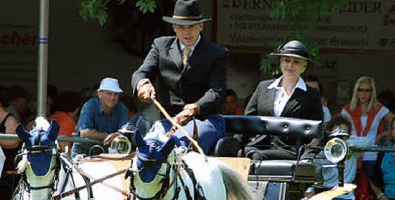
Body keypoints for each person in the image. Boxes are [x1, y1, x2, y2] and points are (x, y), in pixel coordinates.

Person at [131, 0, 228, 153]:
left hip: (205, 120)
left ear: (201, 26)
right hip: (169, 120)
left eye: (191, 27)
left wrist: (194, 108)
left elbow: (217, 92)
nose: (186, 32)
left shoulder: (217, 53)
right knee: (147, 148)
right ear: (174, 28)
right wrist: (142, 84)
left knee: (178, 144)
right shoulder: (160, 46)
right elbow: (141, 73)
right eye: (181, 27)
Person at [244, 40, 323, 160]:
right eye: (286, 60)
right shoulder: (263, 87)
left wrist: (308, 156)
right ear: (280, 62)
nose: (290, 66)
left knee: (256, 156)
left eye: (296, 62)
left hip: (289, 150)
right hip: (257, 146)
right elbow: (247, 121)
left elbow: (318, 133)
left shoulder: (311, 95)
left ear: (304, 66)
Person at [310, 115, 358, 200]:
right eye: (336, 134)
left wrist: (345, 143)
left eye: (343, 134)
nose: (339, 137)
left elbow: (368, 142)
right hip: (326, 191)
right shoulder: (323, 153)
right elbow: (315, 174)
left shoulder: (352, 149)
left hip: (344, 193)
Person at [340, 77, 393, 176]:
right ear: (356, 91)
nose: (363, 94)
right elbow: (340, 131)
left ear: (372, 92)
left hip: (371, 155)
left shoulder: (379, 109)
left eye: (367, 90)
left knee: (369, 186)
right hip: (352, 154)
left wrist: (382, 135)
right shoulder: (347, 110)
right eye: (360, 90)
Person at [71, 77, 130, 156]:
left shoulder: (122, 108)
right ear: (99, 94)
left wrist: (119, 134)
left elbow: (127, 131)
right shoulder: (90, 105)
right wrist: (109, 136)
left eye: (116, 94)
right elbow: (84, 132)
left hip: (106, 152)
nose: (113, 97)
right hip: (83, 152)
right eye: (109, 93)